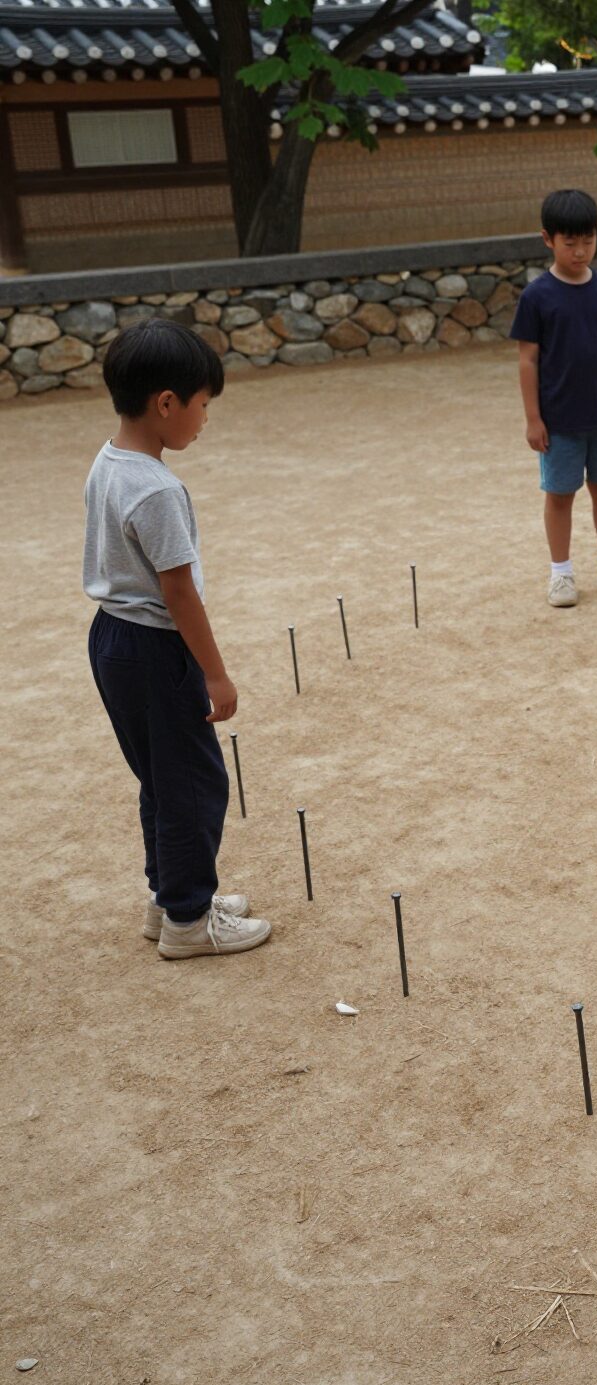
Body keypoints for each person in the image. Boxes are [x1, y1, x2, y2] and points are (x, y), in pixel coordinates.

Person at [85, 319, 272, 959]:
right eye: (203, 405)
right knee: (193, 784)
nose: (205, 420)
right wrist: (215, 673)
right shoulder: (157, 489)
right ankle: (189, 921)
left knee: (162, 781)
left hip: (112, 639)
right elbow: (179, 591)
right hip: (155, 649)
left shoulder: (108, 462)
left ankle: (168, 899)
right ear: (167, 402)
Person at [512, 188, 597, 608]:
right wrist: (533, 418)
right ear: (547, 239)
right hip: (560, 421)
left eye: (588, 240)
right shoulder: (536, 297)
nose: (581, 251)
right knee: (560, 495)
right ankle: (561, 574)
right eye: (570, 242)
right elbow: (528, 360)